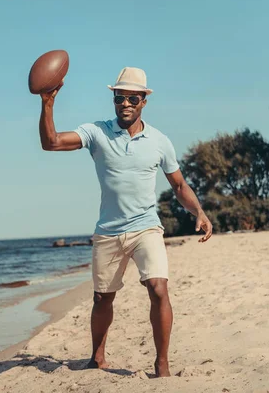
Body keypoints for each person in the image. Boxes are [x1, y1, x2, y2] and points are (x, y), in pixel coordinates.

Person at [38, 66, 213, 377]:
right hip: (108, 231)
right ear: (114, 100)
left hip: (146, 227)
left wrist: (197, 211)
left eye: (133, 98)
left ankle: (162, 365)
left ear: (144, 100)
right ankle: (97, 358)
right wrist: (47, 103)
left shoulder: (159, 141)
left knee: (158, 287)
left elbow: (179, 185)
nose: (126, 104)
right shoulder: (96, 132)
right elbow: (50, 142)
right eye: (120, 98)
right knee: (102, 298)